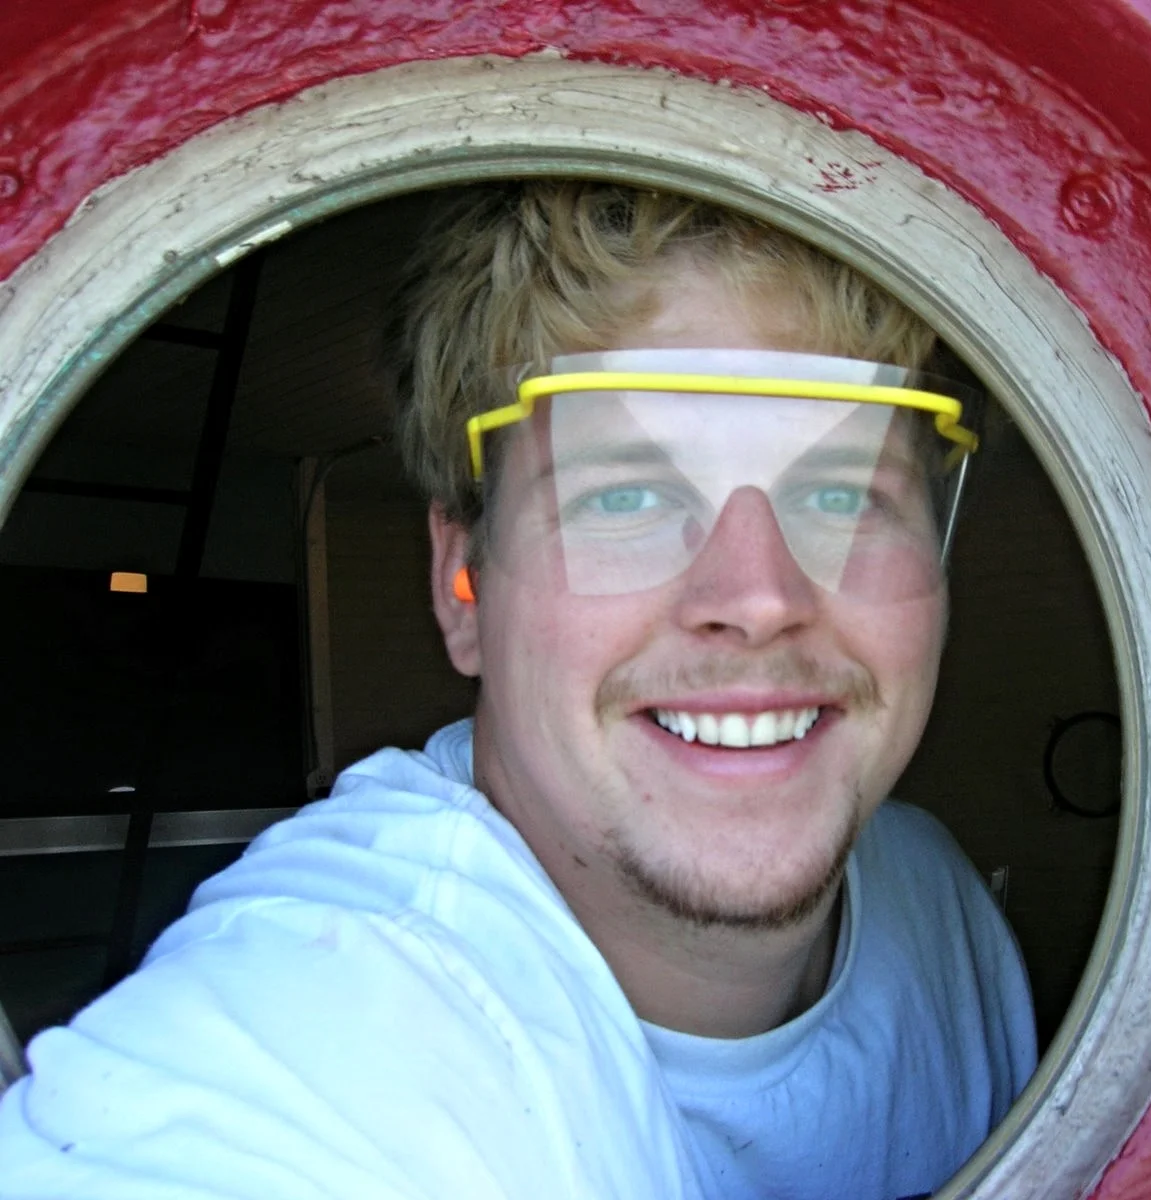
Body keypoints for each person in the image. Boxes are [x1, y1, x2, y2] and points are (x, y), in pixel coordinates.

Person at [0, 181, 1035, 1199]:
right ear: (464, 587)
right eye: (625, 493)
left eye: (838, 491)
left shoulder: (936, 899)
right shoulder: (332, 1025)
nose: (757, 598)